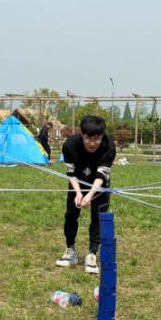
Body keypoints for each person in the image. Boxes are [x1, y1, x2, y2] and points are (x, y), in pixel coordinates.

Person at [55, 115, 116, 275]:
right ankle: (70, 251)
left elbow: (101, 176)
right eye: (89, 138)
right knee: (71, 215)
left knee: (98, 217)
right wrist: (78, 193)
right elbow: (71, 173)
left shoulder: (109, 146)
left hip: (99, 185)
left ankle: (92, 254)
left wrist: (89, 195)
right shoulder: (70, 145)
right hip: (77, 182)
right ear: (81, 134)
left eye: (97, 138)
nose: (93, 143)